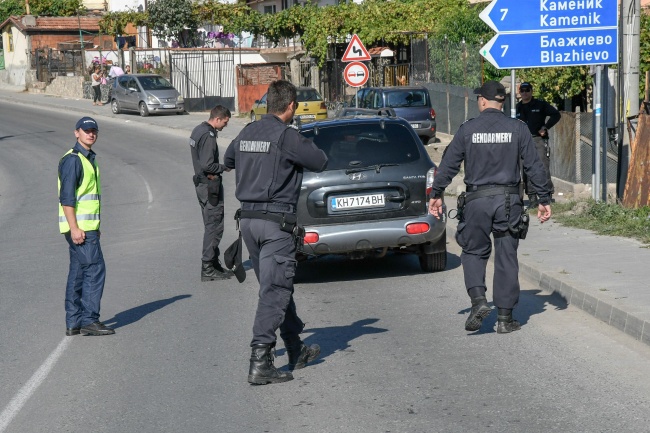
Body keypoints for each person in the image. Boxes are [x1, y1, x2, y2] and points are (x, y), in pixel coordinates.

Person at [224, 80, 328, 385]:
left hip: (249, 223)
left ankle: (295, 348)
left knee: (275, 284)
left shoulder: (247, 131)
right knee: (275, 290)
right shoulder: (287, 136)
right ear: (291, 106)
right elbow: (320, 161)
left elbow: (229, 160)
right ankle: (260, 360)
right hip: (275, 225)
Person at [428, 81, 552, 334]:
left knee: (474, 252)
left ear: (483, 101)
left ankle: (478, 301)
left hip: (476, 201)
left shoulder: (467, 129)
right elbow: (533, 166)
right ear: (502, 102)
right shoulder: (518, 129)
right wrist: (543, 199)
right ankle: (505, 320)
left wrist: (436, 193)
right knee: (506, 255)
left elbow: (448, 164)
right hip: (509, 201)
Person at [58, 117, 114, 336]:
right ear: (76, 133)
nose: (91, 134)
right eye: (86, 130)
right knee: (95, 269)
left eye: (94, 131)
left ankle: (73, 322)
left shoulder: (88, 158)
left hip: (86, 227)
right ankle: (90, 320)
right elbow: (67, 198)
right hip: (79, 228)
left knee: (78, 272)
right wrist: (75, 228)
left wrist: (93, 226)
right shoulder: (73, 160)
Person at [190, 105, 234, 281]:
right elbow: (208, 165)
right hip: (210, 186)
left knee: (211, 224)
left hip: (201, 186)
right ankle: (208, 267)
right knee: (214, 226)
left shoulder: (197, 129)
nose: (225, 125)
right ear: (217, 119)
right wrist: (225, 167)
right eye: (225, 122)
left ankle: (214, 264)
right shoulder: (208, 136)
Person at [516, 82, 561, 207]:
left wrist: (545, 127)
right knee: (526, 169)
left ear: (531, 91)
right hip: (523, 142)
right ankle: (532, 198)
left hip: (538, 140)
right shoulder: (517, 107)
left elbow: (556, 115)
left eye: (527, 90)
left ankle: (546, 196)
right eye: (522, 90)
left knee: (542, 167)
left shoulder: (540, 104)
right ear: (520, 92)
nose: (525, 93)